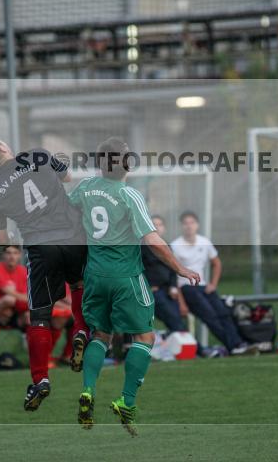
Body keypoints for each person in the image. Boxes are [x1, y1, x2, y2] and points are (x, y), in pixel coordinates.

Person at [67, 137, 200, 435]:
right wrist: (180, 268)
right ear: (128, 163)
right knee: (145, 336)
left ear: (100, 163)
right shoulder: (129, 195)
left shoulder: (86, 187)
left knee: (100, 333)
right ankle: (126, 401)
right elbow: (151, 240)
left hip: (94, 276)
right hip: (125, 276)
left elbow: (67, 213)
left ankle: (88, 390)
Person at [0, 134, 88, 412]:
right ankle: (82, 331)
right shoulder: (36, 155)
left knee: (39, 316)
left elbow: (2, 237)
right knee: (79, 286)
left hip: (41, 249)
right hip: (73, 237)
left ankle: (40, 380)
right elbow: (68, 178)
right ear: (2, 147)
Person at [170, 211, 254, 356]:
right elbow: (173, 276)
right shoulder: (175, 246)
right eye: (186, 223)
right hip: (187, 288)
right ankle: (233, 346)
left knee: (223, 312)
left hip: (203, 286)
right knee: (210, 315)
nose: (189, 226)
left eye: (192, 223)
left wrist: (213, 284)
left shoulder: (204, 242)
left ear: (197, 225)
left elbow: (216, 263)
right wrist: (181, 302)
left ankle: (239, 343)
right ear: (181, 226)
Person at [140, 215, 186, 333]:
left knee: (177, 319)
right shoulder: (142, 246)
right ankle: (195, 347)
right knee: (174, 319)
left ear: (164, 228)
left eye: (160, 224)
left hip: (169, 290)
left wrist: (173, 286)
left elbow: (173, 269)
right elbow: (139, 269)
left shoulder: (167, 246)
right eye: (154, 224)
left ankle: (187, 346)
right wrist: (148, 287)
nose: (157, 227)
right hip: (153, 291)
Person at [0, 245, 30, 331]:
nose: (12, 257)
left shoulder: (23, 271)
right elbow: (14, 295)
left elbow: (25, 295)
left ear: (20, 255)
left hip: (13, 310)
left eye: (15, 253)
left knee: (31, 317)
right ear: (3, 255)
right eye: (8, 253)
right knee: (9, 299)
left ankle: (28, 339)